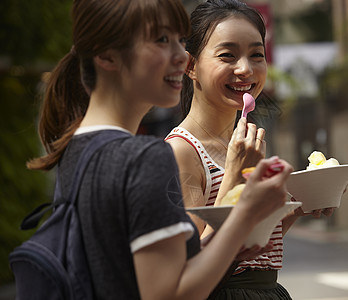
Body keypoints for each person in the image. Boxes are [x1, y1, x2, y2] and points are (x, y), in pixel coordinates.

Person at [26, 0, 294, 299]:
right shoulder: (146, 157)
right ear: (106, 55)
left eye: (180, 41)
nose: (182, 56)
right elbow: (172, 292)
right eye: (161, 41)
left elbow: (167, 269)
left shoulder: (79, 149)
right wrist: (243, 211)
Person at [166, 0, 334, 298]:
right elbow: (188, 266)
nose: (245, 69)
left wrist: (298, 207)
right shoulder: (182, 152)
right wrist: (233, 177)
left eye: (257, 55)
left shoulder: (243, 145)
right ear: (190, 66)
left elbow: (251, 252)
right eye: (227, 56)